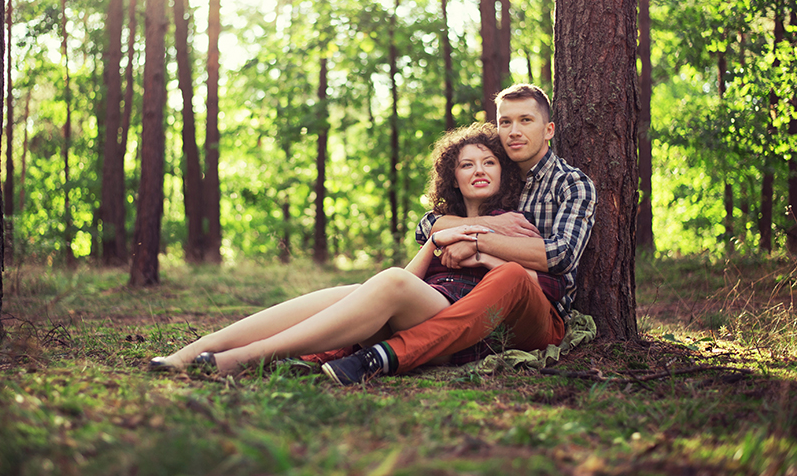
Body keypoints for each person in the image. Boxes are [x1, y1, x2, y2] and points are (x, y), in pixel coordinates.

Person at [149, 122, 536, 376]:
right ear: (453, 175)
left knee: (389, 283)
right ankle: (189, 353)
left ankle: (245, 359)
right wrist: (438, 240)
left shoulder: (514, 221)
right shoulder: (440, 221)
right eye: (467, 164)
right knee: (350, 294)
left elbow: (528, 282)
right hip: (425, 303)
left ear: (503, 170)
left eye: (489, 162)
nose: (479, 170)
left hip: (459, 324)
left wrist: (481, 250)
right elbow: (412, 277)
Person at [323, 83, 597, 385]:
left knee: (512, 275)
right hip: (483, 301)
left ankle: (387, 355)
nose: (514, 131)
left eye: (526, 120)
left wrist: (479, 243)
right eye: (506, 122)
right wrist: (481, 229)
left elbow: (560, 255)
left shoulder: (571, 184)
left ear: (549, 130)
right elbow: (428, 226)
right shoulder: (501, 175)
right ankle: (317, 352)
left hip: (540, 309)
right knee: (371, 293)